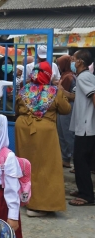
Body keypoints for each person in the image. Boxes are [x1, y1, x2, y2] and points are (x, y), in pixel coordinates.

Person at [15, 61, 71, 216]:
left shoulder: (25, 90)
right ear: (48, 75)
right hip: (44, 132)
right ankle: (40, 205)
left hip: (23, 129)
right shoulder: (54, 91)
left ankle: (25, 199)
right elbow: (66, 109)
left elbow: (16, 108)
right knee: (46, 167)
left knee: (26, 166)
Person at [68, 50, 95, 206]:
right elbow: (74, 97)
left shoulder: (84, 77)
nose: (72, 60)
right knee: (82, 161)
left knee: (81, 161)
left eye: (74, 58)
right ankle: (83, 190)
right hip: (84, 126)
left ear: (80, 62)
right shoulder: (83, 78)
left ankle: (86, 196)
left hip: (86, 126)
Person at [56, 55, 76, 169]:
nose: (59, 66)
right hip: (63, 106)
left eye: (60, 63)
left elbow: (65, 93)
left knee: (67, 134)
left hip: (67, 107)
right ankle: (65, 159)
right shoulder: (65, 75)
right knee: (62, 134)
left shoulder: (69, 77)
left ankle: (74, 160)